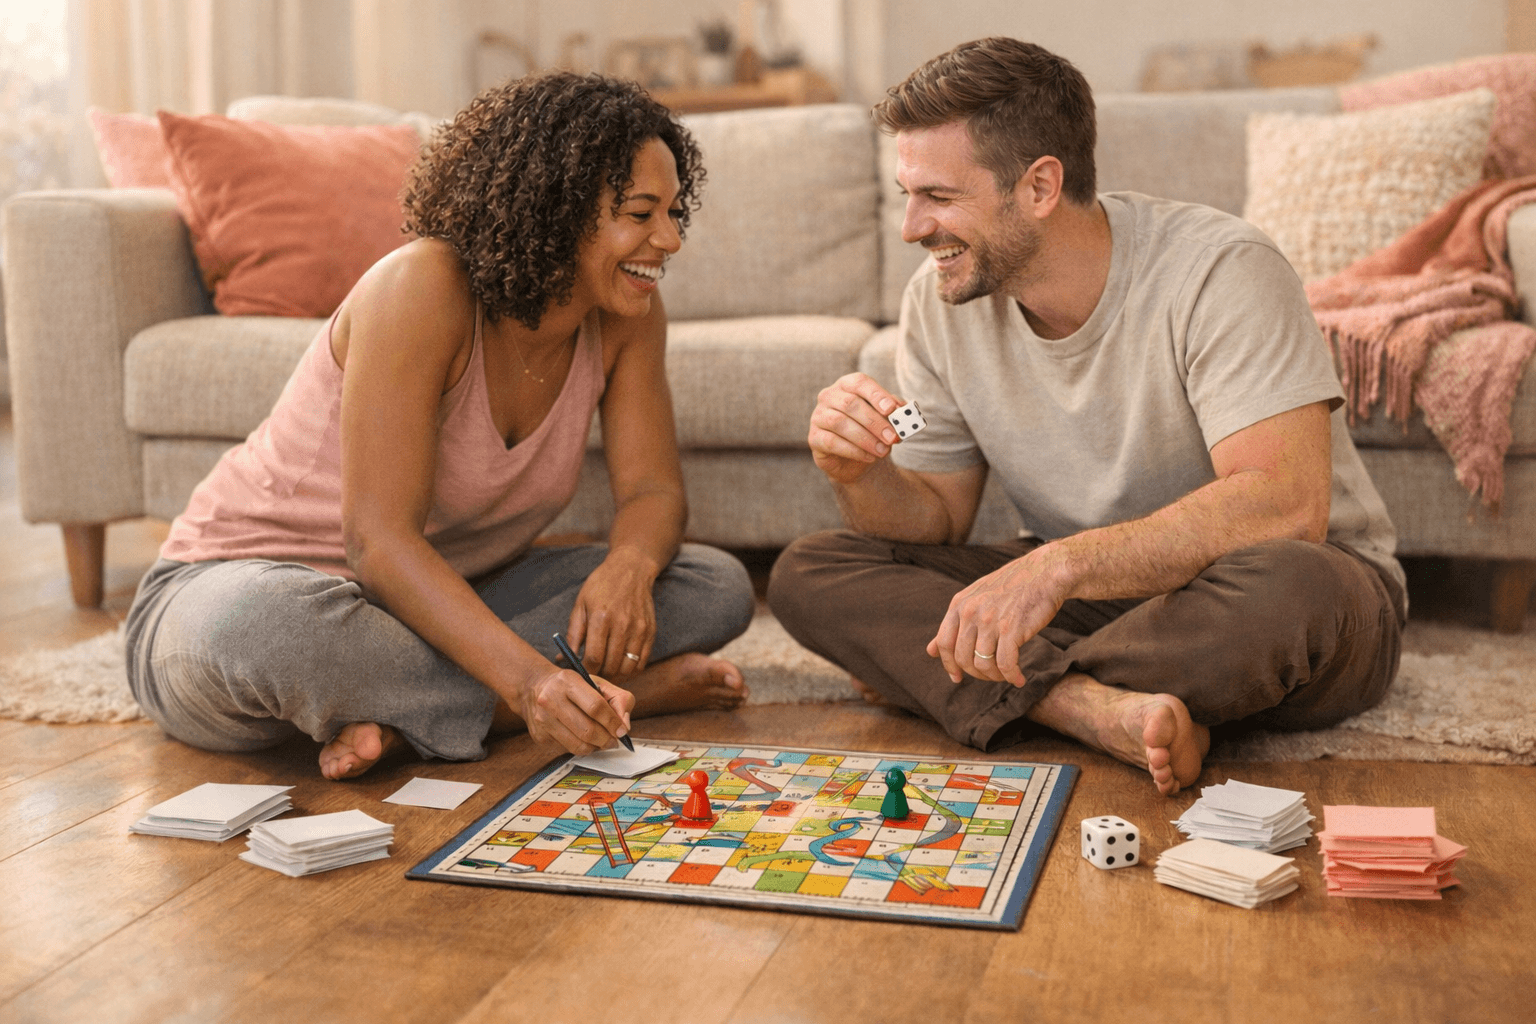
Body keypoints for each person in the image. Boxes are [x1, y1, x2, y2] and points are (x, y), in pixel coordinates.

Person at [768, 38, 1406, 796]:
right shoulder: (940, 304)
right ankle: (1091, 709)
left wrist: (1056, 566)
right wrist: (862, 472)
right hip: (1093, 604)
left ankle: (970, 682)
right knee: (811, 571)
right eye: (907, 194)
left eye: (937, 196)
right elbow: (935, 518)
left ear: (1039, 185)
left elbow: (1286, 504)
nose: (912, 226)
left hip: (1272, 591)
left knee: (1293, 590)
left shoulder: (1221, 269)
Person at [125, 71, 757, 780]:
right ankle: (553, 705)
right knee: (262, 631)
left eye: (675, 212)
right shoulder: (421, 287)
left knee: (713, 583)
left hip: (439, 602)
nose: (668, 240)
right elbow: (379, 545)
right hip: (239, 593)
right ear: (558, 209)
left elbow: (652, 491)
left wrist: (629, 567)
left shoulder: (627, 312)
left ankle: (406, 715)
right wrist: (528, 682)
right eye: (642, 214)